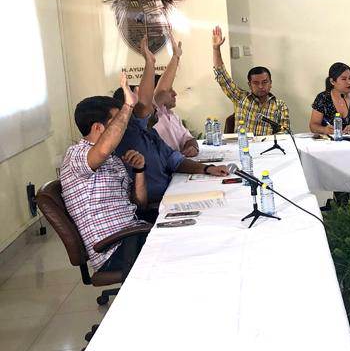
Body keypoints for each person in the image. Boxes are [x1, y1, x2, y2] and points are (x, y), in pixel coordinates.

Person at [117, 42, 230, 208]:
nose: (152, 107)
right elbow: (155, 96)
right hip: (156, 205)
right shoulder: (130, 135)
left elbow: (174, 160)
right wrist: (150, 63)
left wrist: (207, 169)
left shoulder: (150, 132)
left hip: (172, 190)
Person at [61, 74, 148, 275]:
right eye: (117, 121)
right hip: (113, 250)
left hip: (133, 233)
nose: (124, 125)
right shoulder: (76, 155)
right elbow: (100, 151)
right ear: (98, 128)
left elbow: (140, 203)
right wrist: (128, 106)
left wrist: (140, 170)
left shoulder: (113, 159)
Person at [212, 25, 290, 136]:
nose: (261, 86)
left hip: (267, 145)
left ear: (270, 83)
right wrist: (216, 49)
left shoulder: (280, 106)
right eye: (256, 83)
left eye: (264, 82)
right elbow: (222, 76)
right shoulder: (240, 98)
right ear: (249, 85)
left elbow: (285, 133)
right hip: (243, 144)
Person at [153, 36, 199, 157]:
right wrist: (175, 57)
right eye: (171, 90)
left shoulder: (173, 116)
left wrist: (192, 147)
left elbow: (189, 138)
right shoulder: (154, 115)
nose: (175, 94)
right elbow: (162, 90)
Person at [309, 62, 350, 136]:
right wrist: (324, 129)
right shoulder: (322, 98)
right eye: (344, 79)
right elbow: (313, 125)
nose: (349, 82)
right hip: (330, 141)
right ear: (332, 81)